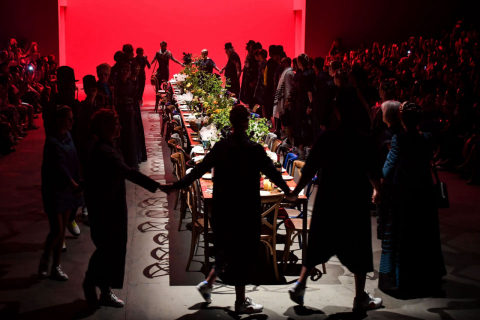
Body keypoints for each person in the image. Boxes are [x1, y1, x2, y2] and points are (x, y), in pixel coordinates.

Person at [167, 105, 291, 314]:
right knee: (243, 255)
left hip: (223, 208)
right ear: (246, 123)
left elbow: (198, 170)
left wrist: (175, 186)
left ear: (231, 123)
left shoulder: (221, 147)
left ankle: (208, 284)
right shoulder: (254, 149)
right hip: (245, 209)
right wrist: (289, 191)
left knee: (227, 249)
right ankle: (241, 302)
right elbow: (273, 173)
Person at [286, 94, 383, 311]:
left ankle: (300, 285)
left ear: (337, 113)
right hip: (354, 198)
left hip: (328, 197)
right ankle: (359, 298)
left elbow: (309, 169)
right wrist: (378, 190)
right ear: (356, 112)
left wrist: (295, 192)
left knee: (319, 241)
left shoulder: (326, 137)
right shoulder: (364, 139)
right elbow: (374, 171)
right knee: (359, 246)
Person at [82, 109, 170, 308]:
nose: (120, 127)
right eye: (116, 124)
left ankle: (104, 289)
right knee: (108, 247)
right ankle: (93, 283)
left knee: (112, 247)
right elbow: (128, 172)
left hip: (112, 202)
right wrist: (157, 186)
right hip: (106, 206)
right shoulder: (104, 151)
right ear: (105, 127)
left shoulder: (109, 146)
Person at [380, 102, 446, 296]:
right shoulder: (428, 138)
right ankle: (427, 279)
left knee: (404, 237)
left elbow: (387, 168)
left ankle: (403, 281)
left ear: (402, 119)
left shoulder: (399, 139)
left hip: (404, 194)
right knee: (425, 236)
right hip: (424, 193)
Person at [39, 105, 84, 281]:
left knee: (62, 230)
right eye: (69, 118)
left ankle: (56, 267)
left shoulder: (69, 136)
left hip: (69, 188)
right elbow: (60, 165)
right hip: (55, 189)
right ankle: (45, 258)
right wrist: (72, 182)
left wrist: (77, 180)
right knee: (56, 229)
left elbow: (73, 162)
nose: (72, 121)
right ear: (59, 120)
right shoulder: (52, 141)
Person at [114, 62, 138, 169]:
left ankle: (131, 162)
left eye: (127, 70)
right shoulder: (116, 83)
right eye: (123, 70)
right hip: (120, 111)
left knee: (131, 135)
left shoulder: (130, 83)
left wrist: (132, 109)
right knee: (122, 135)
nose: (125, 72)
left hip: (129, 111)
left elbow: (133, 97)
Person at [151, 41, 183, 110]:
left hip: (166, 71)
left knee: (166, 86)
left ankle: (165, 101)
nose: (163, 47)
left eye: (164, 46)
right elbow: (154, 59)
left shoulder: (168, 53)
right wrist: (150, 64)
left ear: (166, 46)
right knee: (158, 85)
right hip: (160, 71)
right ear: (160, 46)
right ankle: (161, 98)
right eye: (162, 46)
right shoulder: (158, 53)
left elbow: (174, 59)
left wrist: (181, 63)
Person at [294, 54, 315, 160]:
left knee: (301, 126)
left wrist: (310, 105)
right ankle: (307, 152)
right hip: (308, 103)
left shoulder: (304, 76)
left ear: (300, 63)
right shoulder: (312, 73)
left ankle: (302, 152)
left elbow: (309, 92)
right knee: (308, 126)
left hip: (304, 104)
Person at [274, 57, 294, 145]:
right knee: (285, 119)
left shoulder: (288, 73)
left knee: (287, 120)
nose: (280, 64)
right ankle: (288, 137)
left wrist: (287, 100)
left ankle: (289, 138)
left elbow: (288, 88)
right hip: (284, 99)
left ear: (286, 63)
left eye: (282, 62)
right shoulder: (286, 72)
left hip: (286, 101)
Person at [240, 40, 258, 107]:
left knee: (250, 92)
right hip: (247, 76)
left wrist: (252, 80)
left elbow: (253, 69)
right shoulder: (249, 55)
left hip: (250, 77)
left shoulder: (252, 56)